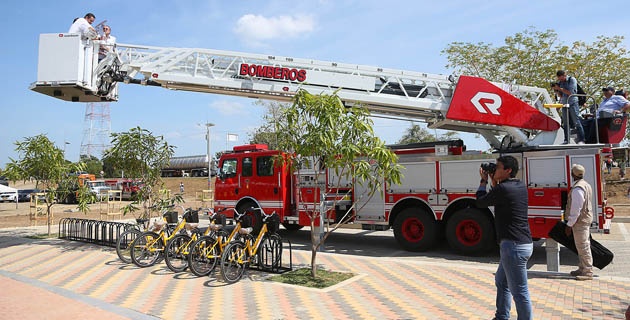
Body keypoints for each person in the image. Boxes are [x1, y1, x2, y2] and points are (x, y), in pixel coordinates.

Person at [476, 155, 533, 320]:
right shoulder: (520, 186)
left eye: (498, 167)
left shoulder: (503, 189)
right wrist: (495, 183)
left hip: (513, 247)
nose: (495, 169)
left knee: (520, 292)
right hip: (519, 244)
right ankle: (501, 316)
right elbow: (501, 198)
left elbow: (480, 202)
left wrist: (483, 181)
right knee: (501, 282)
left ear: (508, 170)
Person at [564, 164, 594, 281]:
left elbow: (576, 208)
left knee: (583, 246)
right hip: (584, 219)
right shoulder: (585, 185)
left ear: (573, 174)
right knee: (581, 245)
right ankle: (582, 268)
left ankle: (587, 271)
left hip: (580, 221)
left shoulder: (577, 189)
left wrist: (569, 224)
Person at [553, 70, 585, 144]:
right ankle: (566, 140)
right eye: (559, 79)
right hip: (564, 103)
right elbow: (562, 96)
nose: (561, 80)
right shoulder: (560, 83)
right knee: (565, 123)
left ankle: (582, 139)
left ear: (565, 75)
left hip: (572, 102)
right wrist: (557, 91)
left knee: (576, 122)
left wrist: (559, 89)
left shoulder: (572, 80)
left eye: (562, 78)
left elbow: (571, 93)